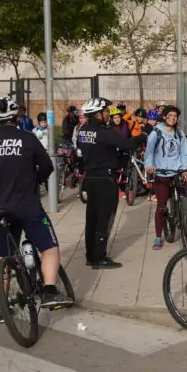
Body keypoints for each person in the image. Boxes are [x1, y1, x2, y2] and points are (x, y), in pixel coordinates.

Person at [0, 96, 72, 320]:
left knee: (5, 256)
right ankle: (50, 291)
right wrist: (35, 182)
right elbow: (47, 166)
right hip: (28, 206)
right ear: (16, 117)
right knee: (49, 248)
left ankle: (3, 306)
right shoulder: (27, 138)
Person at [76, 97, 147, 269]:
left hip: (90, 178)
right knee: (104, 219)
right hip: (105, 179)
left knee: (91, 218)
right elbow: (127, 144)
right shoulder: (104, 132)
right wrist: (142, 136)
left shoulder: (83, 131)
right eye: (106, 111)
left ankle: (90, 255)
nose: (108, 113)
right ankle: (99, 257)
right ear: (98, 115)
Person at [144, 105, 187, 250]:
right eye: (169, 115)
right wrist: (150, 165)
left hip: (176, 172)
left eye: (175, 116)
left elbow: (184, 153)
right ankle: (158, 236)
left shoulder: (179, 133)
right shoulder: (156, 133)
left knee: (186, 201)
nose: (172, 118)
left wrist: (184, 169)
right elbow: (149, 151)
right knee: (161, 206)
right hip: (161, 173)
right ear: (164, 117)